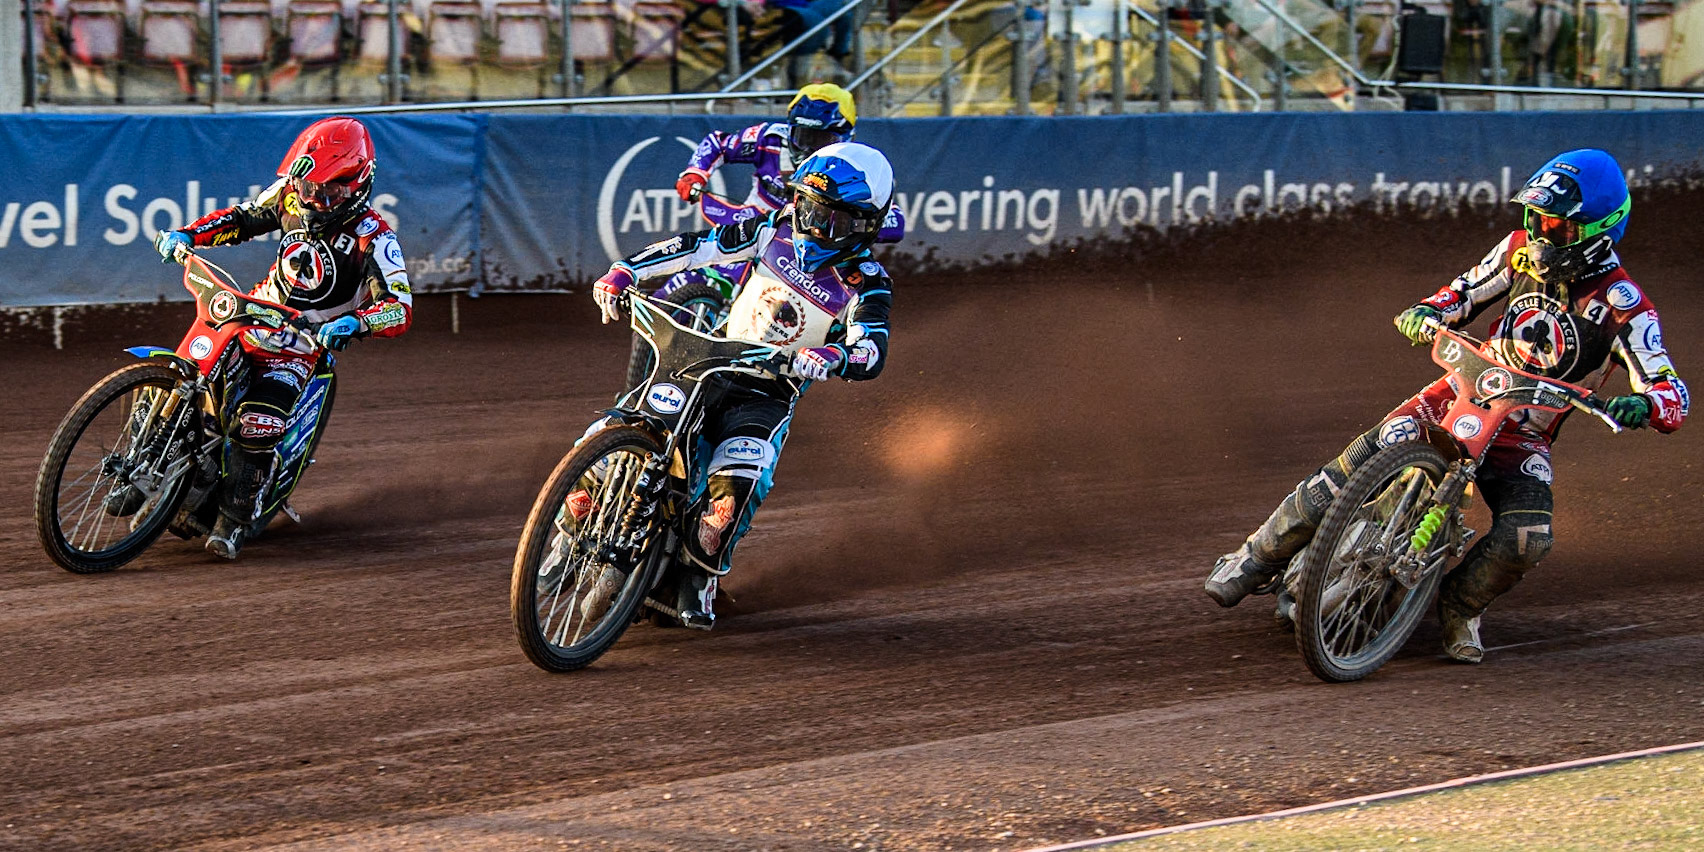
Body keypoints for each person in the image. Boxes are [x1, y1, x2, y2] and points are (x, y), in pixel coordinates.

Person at [1205, 148, 1687, 663]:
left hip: (1523, 433)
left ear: (1600, 231)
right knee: (1363, 456)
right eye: (1537, 219)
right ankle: (1255, 556)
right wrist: (1426, 311)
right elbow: (1462, 292)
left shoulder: (1626, 307)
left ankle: (1460, 608)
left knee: (1528, 537)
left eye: (1558, 226)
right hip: (1462, 392)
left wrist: (1645, 406)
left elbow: (1672, 392)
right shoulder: (1516, 251)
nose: (1543, 235)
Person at [587, 141, 896, 628]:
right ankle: (566, 528)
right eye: (806, 206)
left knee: (734, 490)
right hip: (709, 362)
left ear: (863, 225)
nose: (811, 224)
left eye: (828, 218)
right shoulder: (771, 229)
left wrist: (836, 355)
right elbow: (696, 246)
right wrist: (627, 270)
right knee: (614, 433)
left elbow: (871, 347)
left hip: (766, 395)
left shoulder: (867, 282)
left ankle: (699, 577)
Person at [151, 117, 413, 559]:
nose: (313, 201)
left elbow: (400, 307)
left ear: (358, 184)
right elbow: (243, 218)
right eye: (307, 189)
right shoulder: (291, 194)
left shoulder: (375, 238)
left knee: (257, 422)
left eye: (327, 193)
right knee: (185, 376)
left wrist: (356, 323)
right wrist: (189, 235)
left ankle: (234, 519)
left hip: (300, 348)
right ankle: (147, 459)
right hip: (248, 318)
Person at [663, 83, 903, 300]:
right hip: (758, 221)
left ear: (846, 137)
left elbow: (895, 220)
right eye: (803, 136)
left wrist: (853, 227)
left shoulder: (860, 168)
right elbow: (718, 143)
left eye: (822, 139)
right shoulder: (770, 138)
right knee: (687, 275)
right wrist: (695, 173)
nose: (809, 148)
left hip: (812, 242)